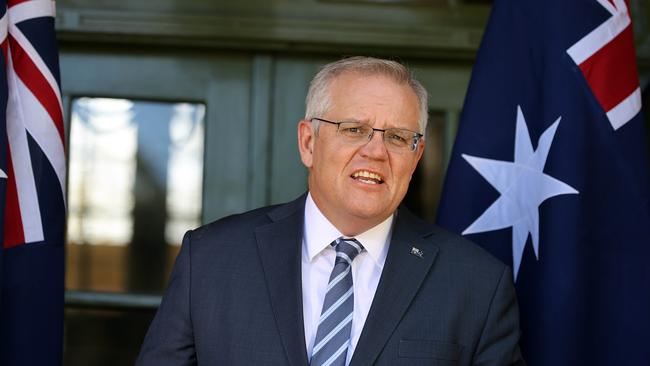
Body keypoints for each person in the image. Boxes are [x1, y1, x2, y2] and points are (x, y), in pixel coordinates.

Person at [136, 56, 525, 366]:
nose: (375, 151)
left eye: (396, 137)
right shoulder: (211, 259)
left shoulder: (476, 284)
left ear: (416, 155)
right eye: (353, 129)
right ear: (308, 142)